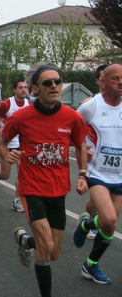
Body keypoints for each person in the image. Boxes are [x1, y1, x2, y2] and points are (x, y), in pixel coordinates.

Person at [0, 63, 88, 297]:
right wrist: (7, 155)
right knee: (46, 246)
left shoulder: (72, 117)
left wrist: (83, 174)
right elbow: (1, 141)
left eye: (58, 81)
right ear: (35, 89)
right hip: (31, 188)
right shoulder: (22, 117)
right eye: (48, 83)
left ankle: (25, 241)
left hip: (58, 190)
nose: (55, 86)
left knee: (54, 253)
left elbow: (80, 146)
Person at [73, 64, 122, 285]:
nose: (121, 82)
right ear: (103, 81)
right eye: (115, 78)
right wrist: (83, 146)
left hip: (120, 175)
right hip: (98, 172)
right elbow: (70, 130)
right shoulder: (90, 107)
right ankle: (91, 262)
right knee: (109, 219)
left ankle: (90, 264)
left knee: (107, 225)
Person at [0, 79, 31, 211]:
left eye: (25, 87)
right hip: (7, 144)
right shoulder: (7, 104)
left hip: (22, 144)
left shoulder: (29, 105)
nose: (23, 90)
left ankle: (17, 200)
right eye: (20, 88)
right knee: (5, 175)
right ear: (15, 90)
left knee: (23, 173)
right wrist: (1, 134)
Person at [80, 64, 109, 240]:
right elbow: (75, 129)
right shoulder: (88, 104)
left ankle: (89, 220)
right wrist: (83, 147)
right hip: (95, 161)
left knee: (110, 203)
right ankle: (91, 222)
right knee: (100, 199)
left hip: (115, 161)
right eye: (105, 78)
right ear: (98, 81)